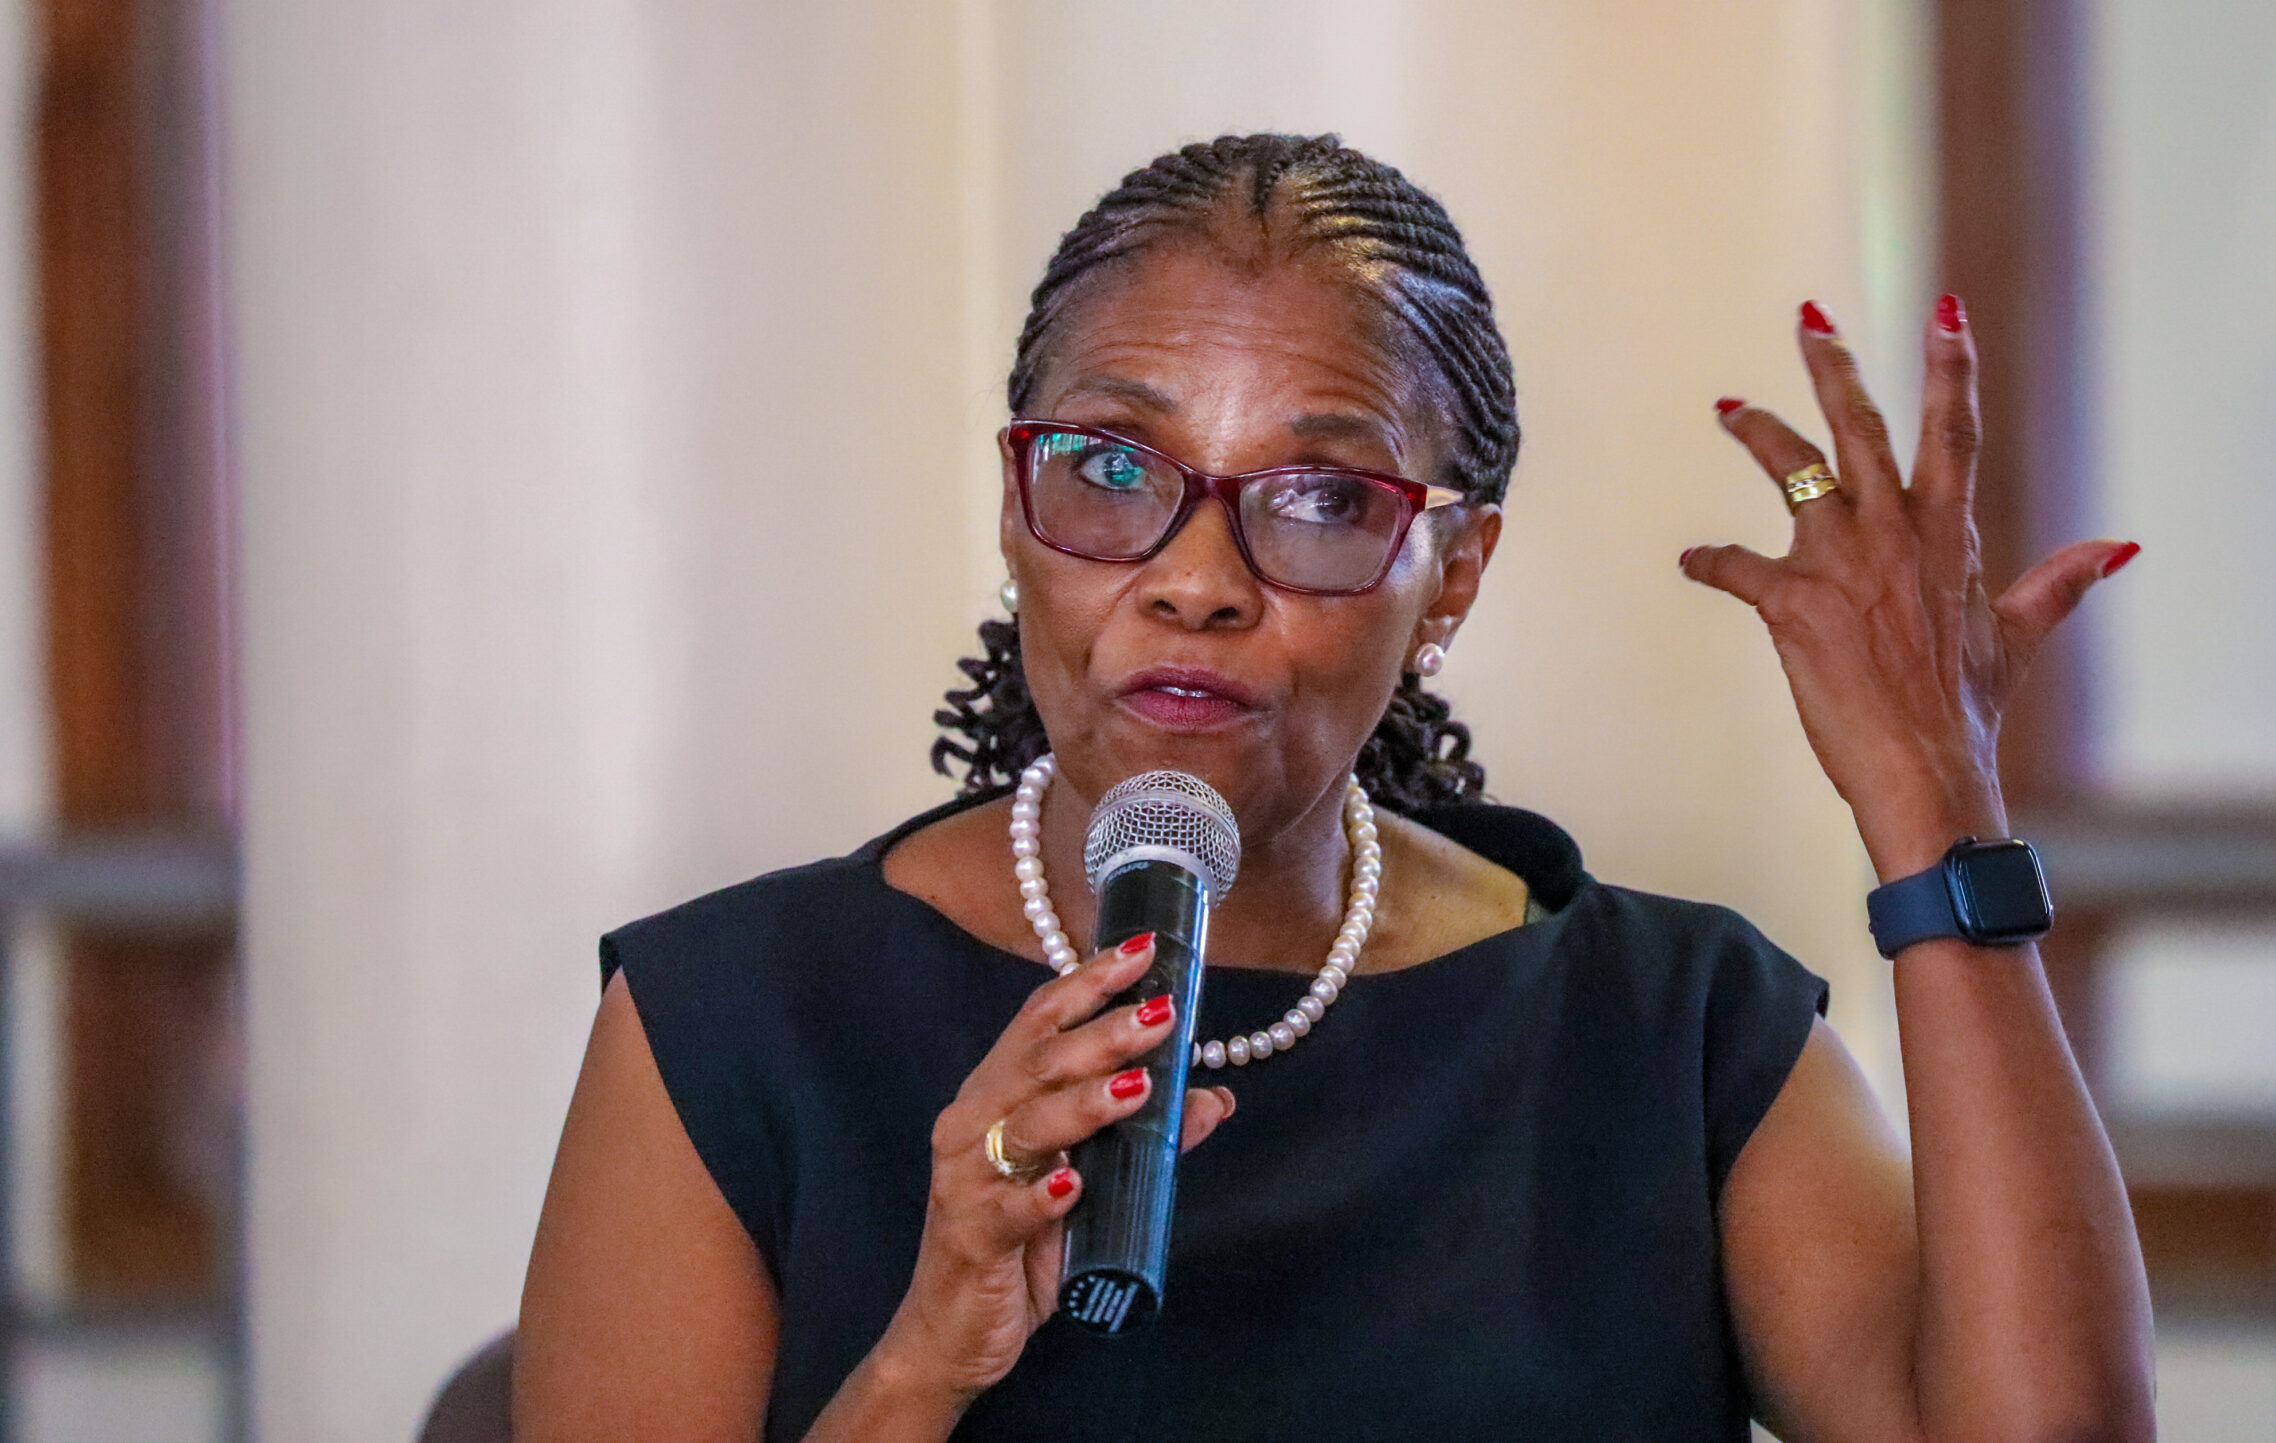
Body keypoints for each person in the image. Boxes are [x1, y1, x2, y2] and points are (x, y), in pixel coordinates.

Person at [515, 134, 2155, 1442]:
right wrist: (922, 1365)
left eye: (1318, 498)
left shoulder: (1674, 1039)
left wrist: (1935, 802)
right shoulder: (730, 1027)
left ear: (1453, 579)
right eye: (1113, 469)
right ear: (1017, 516)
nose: (1196, 580)